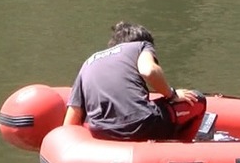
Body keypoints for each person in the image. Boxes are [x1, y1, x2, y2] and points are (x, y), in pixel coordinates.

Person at [63, 21, 206, 142]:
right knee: (197, 100)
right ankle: (179, 153)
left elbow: (70, 123)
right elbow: (148, 71)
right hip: (141, 125)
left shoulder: (89, 61)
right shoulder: (141, 46)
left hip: (101, 134)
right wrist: (172, 94)